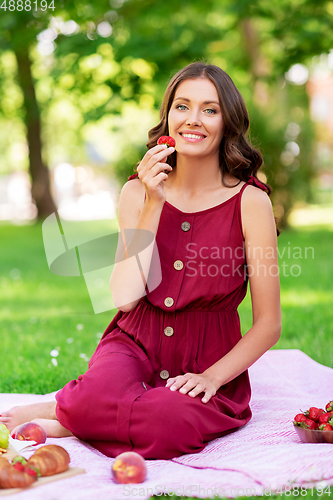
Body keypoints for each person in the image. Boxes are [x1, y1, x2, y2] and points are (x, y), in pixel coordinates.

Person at [0, 62, 281, 460]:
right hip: (135, 341)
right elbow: (126, 299)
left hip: (208, 355)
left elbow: (269, 324)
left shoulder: (251, 202)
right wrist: (153, 204)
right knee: (100, 393)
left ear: (227, 122)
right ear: (168, 116)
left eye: (210, 109)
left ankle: (69, 413)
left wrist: (212, 377)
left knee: (168, 423)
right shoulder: (137, 192)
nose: (193, 120)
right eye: (182, 106)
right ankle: (82, 407)